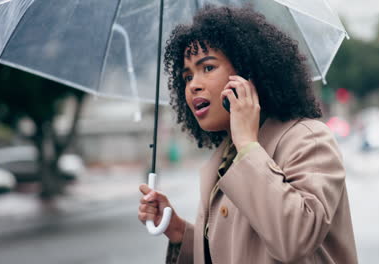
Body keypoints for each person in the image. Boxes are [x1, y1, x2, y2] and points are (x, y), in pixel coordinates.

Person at [138, 5, 357, 264]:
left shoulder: (308, 140)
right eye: (186, 77)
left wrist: (247, 145)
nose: (193, 85)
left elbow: (294, 239)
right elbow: (238, 250)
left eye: (207, 68)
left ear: (248, 73)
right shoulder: (223, 157)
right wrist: (177, 231)